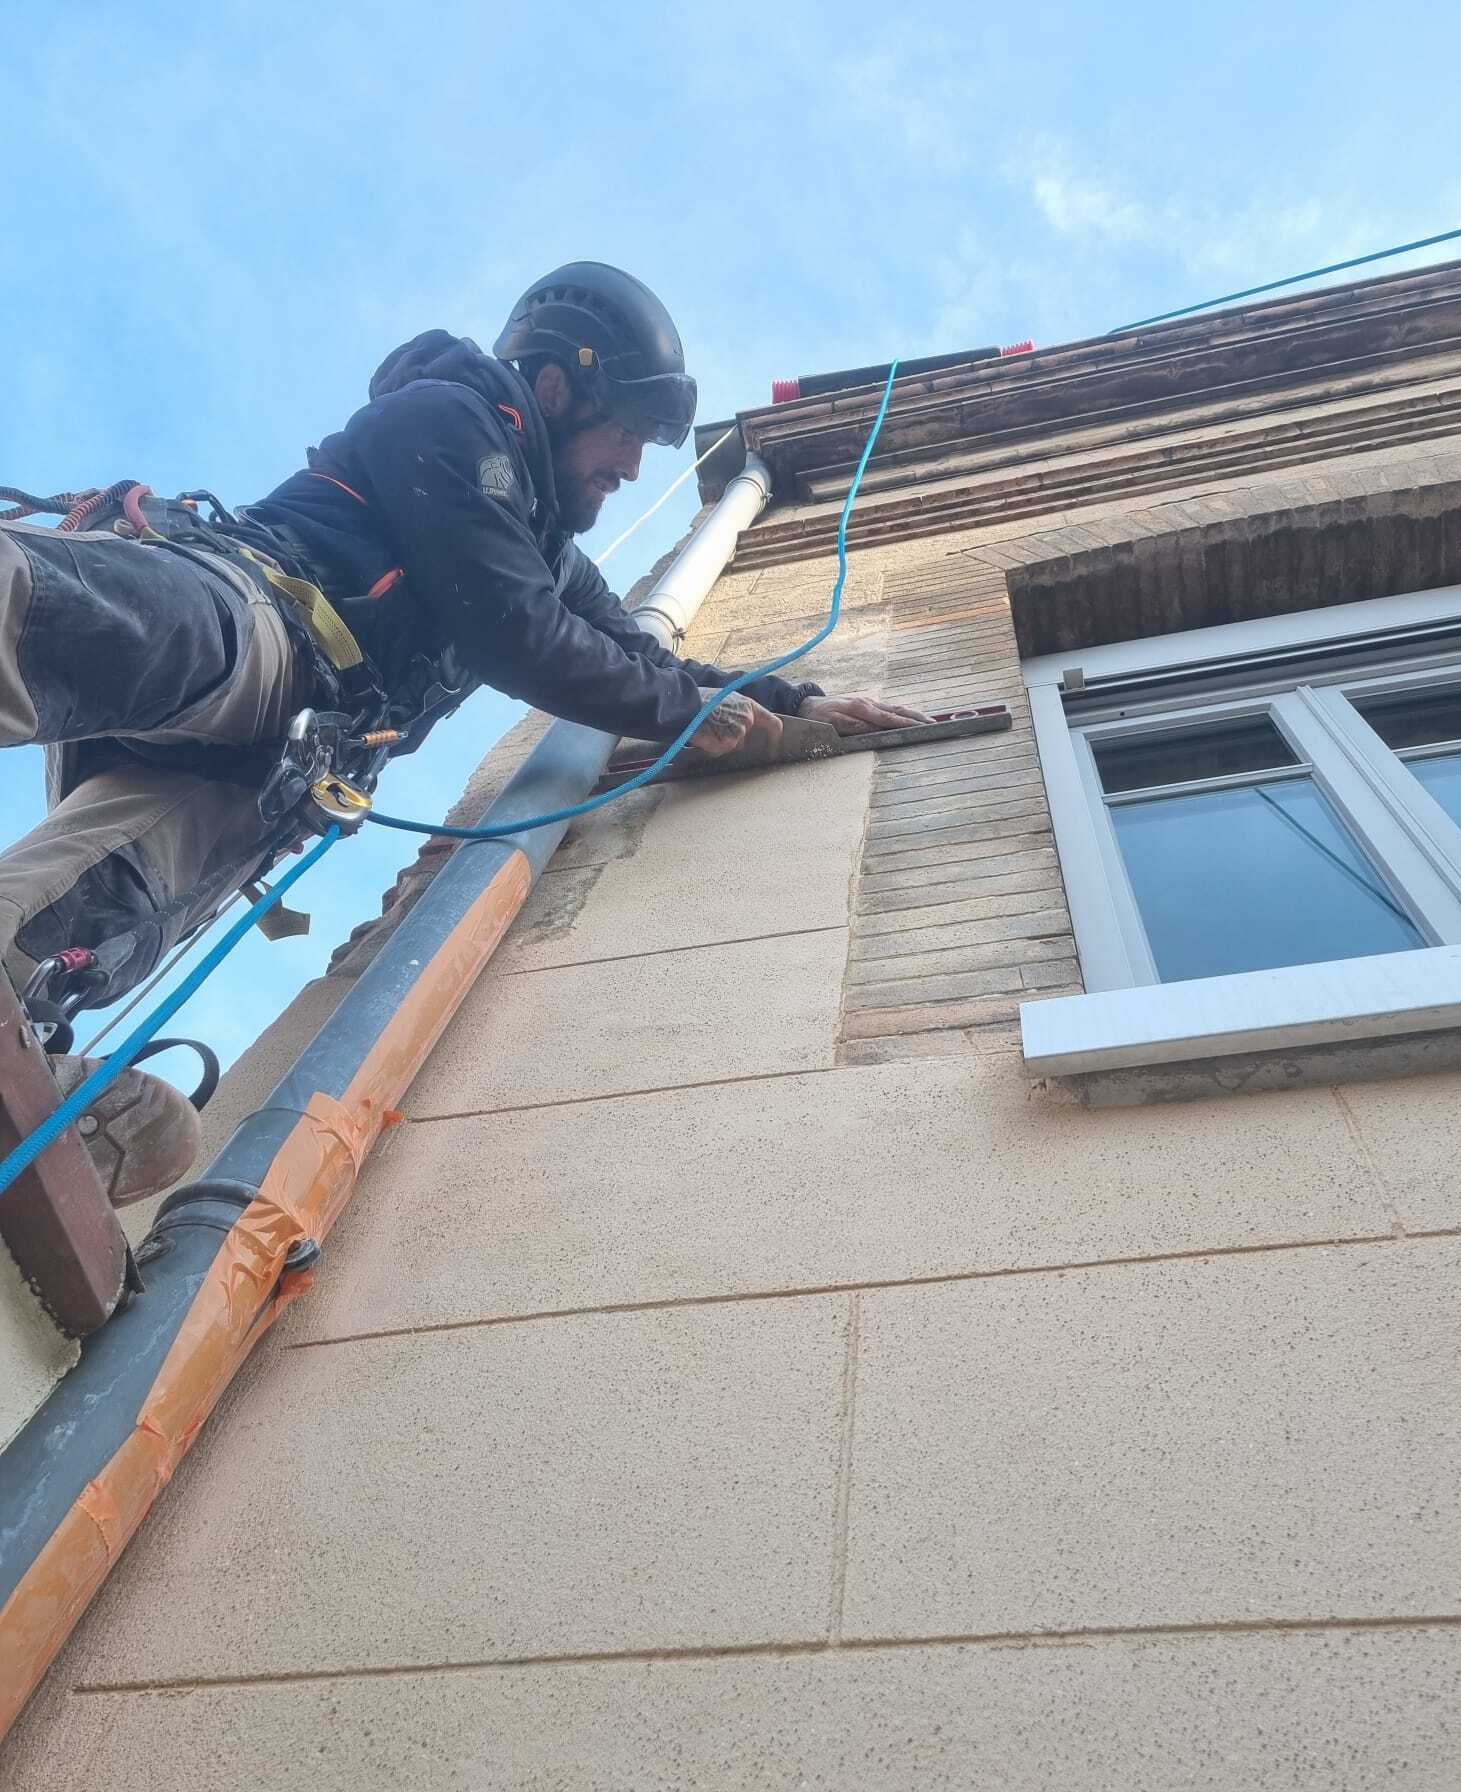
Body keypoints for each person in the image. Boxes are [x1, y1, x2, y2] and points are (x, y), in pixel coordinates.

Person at [0, 261, 924, 1204]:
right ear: (558, 389)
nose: (636, 465)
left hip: (280, 760)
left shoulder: (547, 552)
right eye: (627, 432)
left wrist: (794, 702)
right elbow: (516, 632)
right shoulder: (446, 417)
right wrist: (711, 724)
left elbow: (643, 658)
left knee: (117, 895)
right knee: (114, 625)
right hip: (256, 615)